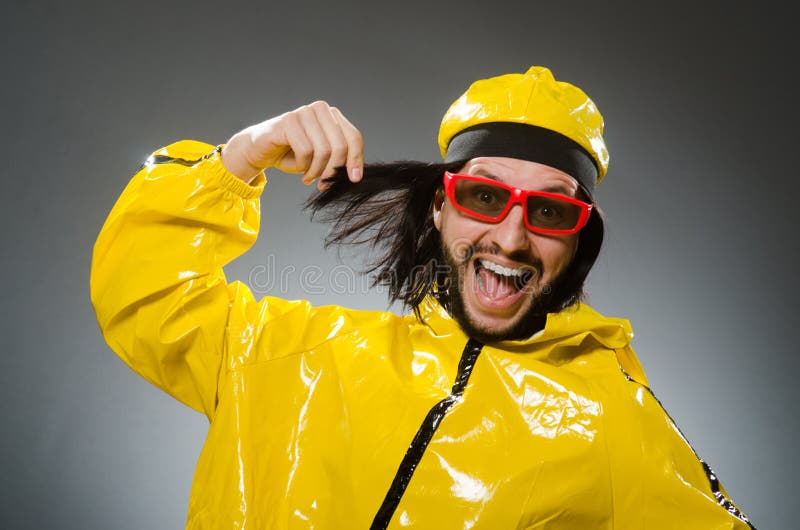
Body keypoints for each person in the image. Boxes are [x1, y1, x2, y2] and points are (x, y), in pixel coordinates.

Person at [90, 66, 755, 529]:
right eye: (484, 196)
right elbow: (145, 294)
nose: (511, 238)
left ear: (578, 238)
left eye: (550, 211)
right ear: (440, 206)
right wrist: (239, 157)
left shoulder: (610, 419)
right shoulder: (293, 356)